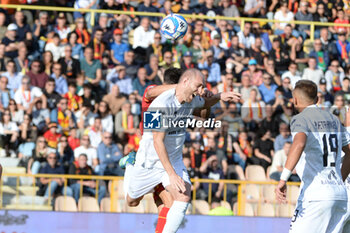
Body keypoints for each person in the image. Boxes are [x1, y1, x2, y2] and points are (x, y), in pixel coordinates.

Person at [124, 69, 240, 232]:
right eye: (199, 86)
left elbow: (204, 107)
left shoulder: (190, 99)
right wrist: (171, 174)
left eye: (202, 87)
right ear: (184, 82)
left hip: (173, 159)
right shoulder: (161, 104)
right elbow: (158, 142)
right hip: (150, 160)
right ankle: (130, 164)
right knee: (132, 201)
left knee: (182, 196)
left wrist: (220, 96)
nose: (201, 91)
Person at [275, 80, 350, 233]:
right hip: (339, 195)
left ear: (295, 100)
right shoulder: (334, 120)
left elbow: (299, 143)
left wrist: (283, 178)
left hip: (315, 195)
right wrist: (339, 180)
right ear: (317, 99)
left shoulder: (300, 119)